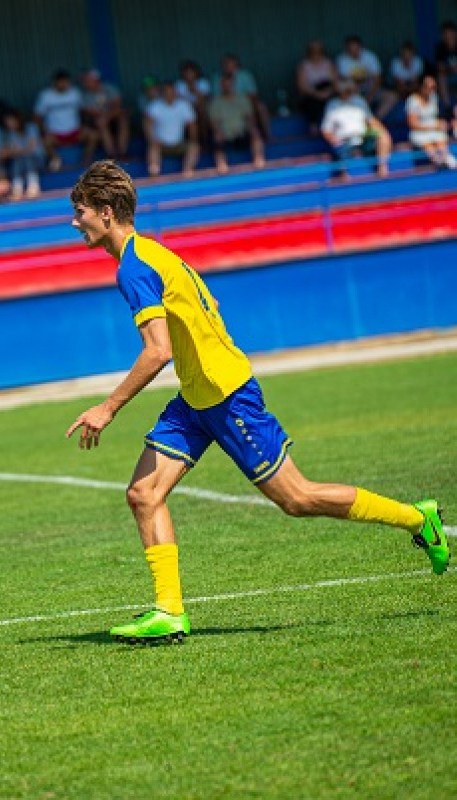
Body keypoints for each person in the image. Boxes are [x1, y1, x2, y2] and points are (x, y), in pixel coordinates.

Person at [65, 160, 449, 643]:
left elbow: (157, 350)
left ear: (105, 212)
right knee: (144, 493)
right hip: (197, 397)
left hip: (227, 398)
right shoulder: (155, 254)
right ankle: (168, 612)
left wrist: (108, 407)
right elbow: (210, 305)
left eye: (79, 213)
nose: (75, 223)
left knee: (297, 498)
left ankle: (419, 518)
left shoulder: (135, 268)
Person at [321, 79, 392, 178]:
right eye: (344, 90)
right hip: (344, 140)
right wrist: (335, 141)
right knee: (340, 150)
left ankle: (382, 169)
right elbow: (326, 130)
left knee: (383, 136)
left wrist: (381, 130)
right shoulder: (332, 105)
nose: (347, 92)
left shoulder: (359, 101)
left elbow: (371, 120)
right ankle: (345, 179)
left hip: (363, 137)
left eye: (349, 90)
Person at [34, 69, 99, 171]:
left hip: (75, 131)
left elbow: (83, 110)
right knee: (44, 142)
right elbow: (37, 116)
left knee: (93, 135)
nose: (65, 84)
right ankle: (56, 160)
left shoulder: (74, 92)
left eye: (67, 82)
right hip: (55, 134)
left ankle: (86, 161)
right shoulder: (46, 96)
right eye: (62, 82)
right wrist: (44, 131)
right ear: (55, 82)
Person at [209, 74, 265, 174]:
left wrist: (252, 128)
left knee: (255, 133)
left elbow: (249, 117)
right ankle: (221, 164)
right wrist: (218, 131)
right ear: (221, 86)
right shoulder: (215, 102)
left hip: (241, 132)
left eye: (229, 84)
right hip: (225, 134)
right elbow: (214, 122)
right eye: (224, 84)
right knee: (216, 138)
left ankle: (258, 158)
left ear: (233, 84)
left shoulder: (242, 99)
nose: (227, 86)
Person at [143, 81, 199, 177]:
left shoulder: (183, 105)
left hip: (179, 144)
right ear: (162, 93)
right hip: (160, 144)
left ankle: (187, 171)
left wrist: (193, 139)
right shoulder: (155, 106)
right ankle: (154, 174)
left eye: (171, 91)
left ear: (175, 92)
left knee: (194, 147)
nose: (169, 94)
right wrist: (153, 139)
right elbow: (147, 125)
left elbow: (192, 125)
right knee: (153, 149)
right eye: (166, 92)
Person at [336, 35, 398, 120]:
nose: (354, 51)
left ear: (361, 47)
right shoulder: (342, 60)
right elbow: (346, 81)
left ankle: (375, 120)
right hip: (352, 91)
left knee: (392, 96)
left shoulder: (370, 56)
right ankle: (359, 121)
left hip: (371, 89)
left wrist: (371, 96)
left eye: (356, 48)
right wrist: (359, 97)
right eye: (351, 49)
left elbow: (378, 78)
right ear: (347, 49)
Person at [212, 54, 271, 141]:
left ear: (237, 66)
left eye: (231, 65)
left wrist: (241, 102)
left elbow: (253, 95)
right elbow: (216, 98)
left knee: (261, 107)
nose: (228, 67)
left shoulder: (245, 76)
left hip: (243, 103)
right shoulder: (217, 78)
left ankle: (266, 135)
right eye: (226, 65)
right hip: (223, 106)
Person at [405, 74, 457, 169]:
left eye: (434, 87)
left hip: (434, 130)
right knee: (429, 145)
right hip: (419, 132)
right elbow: (412, 124)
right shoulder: (412, 101)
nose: (432, 90)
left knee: (441, 142)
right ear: (421, 87)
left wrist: (441, 123)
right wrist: (433, 126)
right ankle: (439, 162)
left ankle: (446, 159)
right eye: (429, 87)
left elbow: (435, 117)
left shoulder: (434, 97)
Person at [80, 68, 130, 159]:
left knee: (122, 118)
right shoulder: (85, 95)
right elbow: (91, 112)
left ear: (96, 80)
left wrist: (107, 117)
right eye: (85, 81)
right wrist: (104, 117)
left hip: (112, 118)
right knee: (101, 122)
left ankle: (123, 152)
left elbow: (118, 106)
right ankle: (111, 154)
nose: (85, 83)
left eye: (88, 80)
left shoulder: (109, 88)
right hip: (96, 122)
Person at [296, 40, 338, 134]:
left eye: (319, 50)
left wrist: (328, 92)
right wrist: (317, 94)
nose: (316, 53)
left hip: (328, 93)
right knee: (312, 102)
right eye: (313, 50)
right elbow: (301, 86)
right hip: (311, 94)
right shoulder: (304, 66)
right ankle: (314, 126)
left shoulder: (328, 64)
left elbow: (336, 82)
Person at [3, 111, 43, 199]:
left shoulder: (31, 127)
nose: (9, 124)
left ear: (17, 120)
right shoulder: (10, 134)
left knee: (27, 158)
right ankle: (17, 189)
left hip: (37, 159)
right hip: (20, 161)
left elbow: (31, 148)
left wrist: (18, 152)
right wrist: (15, 152)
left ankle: (33, 187)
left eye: (10, 121)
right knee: (17, 161)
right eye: (7, 122)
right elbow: (10, 152)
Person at [435, 21, 457, 110]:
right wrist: (451, 69)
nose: (448, 36)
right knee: (441, 77)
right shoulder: (440, 48)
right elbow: (440, 68)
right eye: (445, 34)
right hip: (448, 76)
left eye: (450, 33)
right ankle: (447, 107)